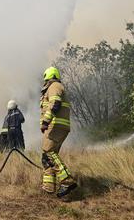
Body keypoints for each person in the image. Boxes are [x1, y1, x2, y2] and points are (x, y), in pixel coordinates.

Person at [39, 66, 77, 198]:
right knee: (47, 156)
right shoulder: (54, 87)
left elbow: (55, 103)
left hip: (55, 125)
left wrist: (45, 121)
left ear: (47, 77)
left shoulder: (54, 86)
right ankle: (48, 188)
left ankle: (67, 181)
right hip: (55, 126)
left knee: (49, 151)